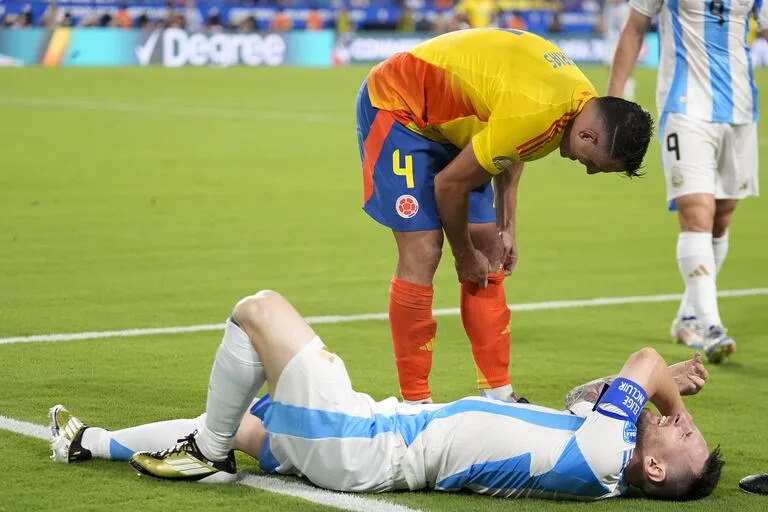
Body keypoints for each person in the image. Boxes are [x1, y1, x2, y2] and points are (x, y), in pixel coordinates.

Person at [50, 290, 722, 500]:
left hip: (369, 445)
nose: (684, 425)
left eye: (684, 436)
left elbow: (641, 362)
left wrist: (670, 399)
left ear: (655, 468)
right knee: (247, 422)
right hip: (371, 437)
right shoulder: (598, 444)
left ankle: (208, 452)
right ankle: (89, 443)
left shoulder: (606, 458)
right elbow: (590, 392)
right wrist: (654, 392)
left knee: (257, 310)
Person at [355, 28, 653, 404]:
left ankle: (499, 394)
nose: (589, 171)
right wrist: (463, 257)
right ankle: (416, 405)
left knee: (491, 249)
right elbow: (449, 185)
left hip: (459, 123)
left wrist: (506, 227)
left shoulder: (580, 103)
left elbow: (515, 151)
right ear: (590, 137)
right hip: (399, 108)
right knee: (424, 250)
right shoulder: (539, 112)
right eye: (597, 165)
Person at [607, 1, 767, 364]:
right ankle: (711, 327)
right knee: (698, 210)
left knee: (722, 215)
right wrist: (614, 102)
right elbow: (634, 27)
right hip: (685, 107)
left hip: (741, 110)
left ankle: (689, 315)